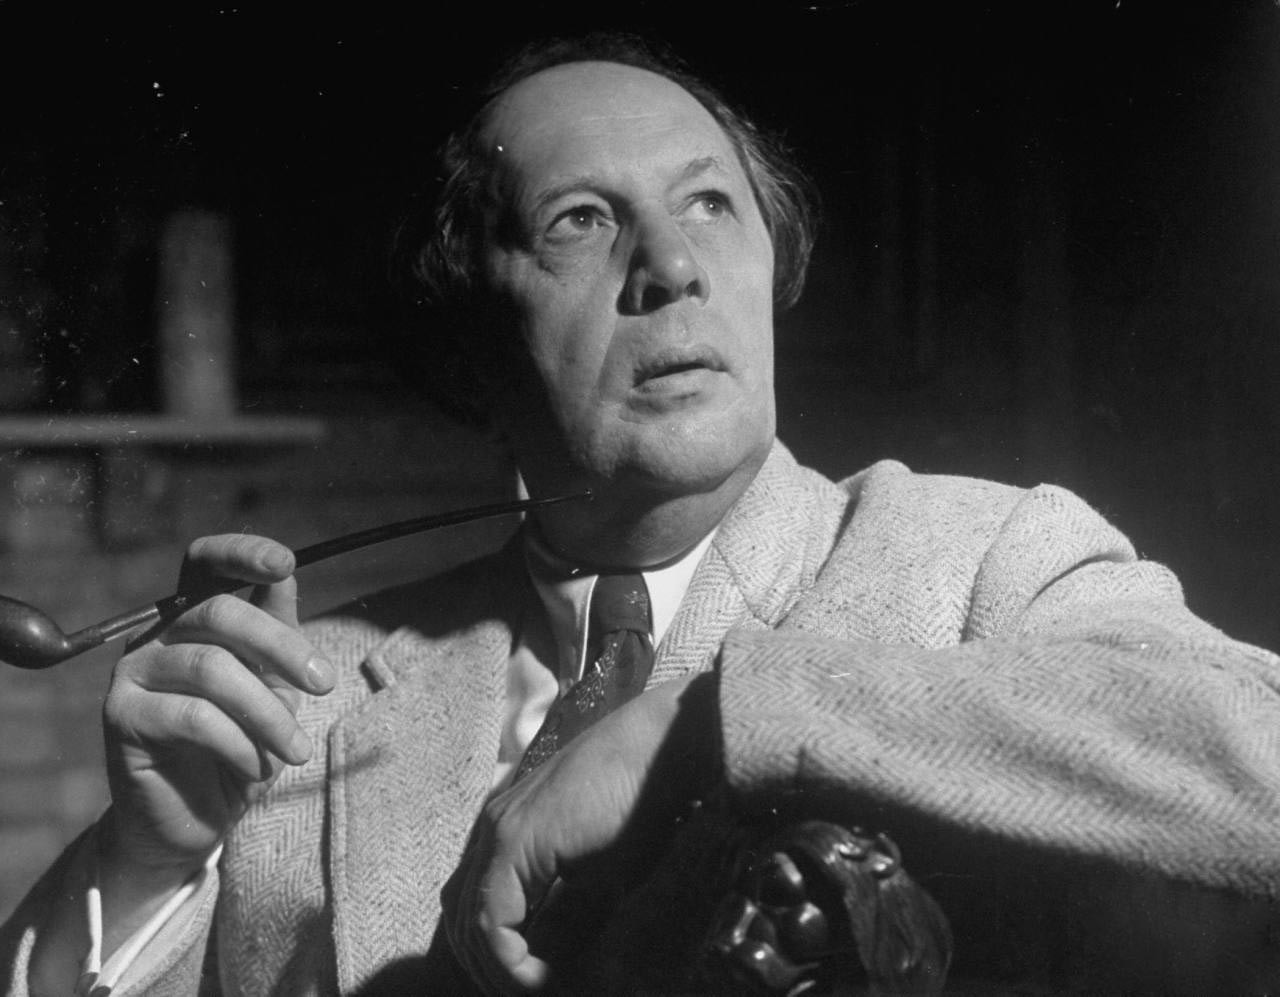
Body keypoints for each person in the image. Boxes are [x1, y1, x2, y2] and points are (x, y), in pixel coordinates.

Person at [6, 32, 1280, 996]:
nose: (669, 266)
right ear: (470, 337)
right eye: (579, 222)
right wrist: (146, 866)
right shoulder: (300, 708)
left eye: (708, 204)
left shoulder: (983, 556)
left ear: (768, 266)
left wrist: (705, 723)